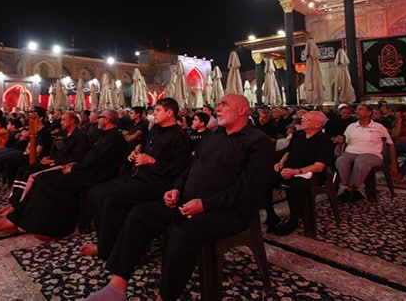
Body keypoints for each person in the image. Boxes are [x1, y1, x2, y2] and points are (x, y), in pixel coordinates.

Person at [83, 94, 273, 301]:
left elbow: (248, 189)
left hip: (227, 210)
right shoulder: (214, 136)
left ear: (242, 110)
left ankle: (166, 296)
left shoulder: (258, 142)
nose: (217, 109)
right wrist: (176, 189)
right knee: (140, 214)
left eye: (224, 104)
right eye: (218, 104)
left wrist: (205, 204)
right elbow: (191, 167)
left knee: (181, 233)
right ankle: (116, 287)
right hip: (188, 201)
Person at [80, 98, 192, 260]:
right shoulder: (155, 130)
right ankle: (105, 242)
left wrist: (152, 161)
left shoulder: (179, 137)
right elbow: (142, 147)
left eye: (158, 110)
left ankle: (113, 248)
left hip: (157, 184)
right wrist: (136, 152)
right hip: (138, 177)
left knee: (112, 200)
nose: (154, 113)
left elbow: (179, 168)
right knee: (96, 192)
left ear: (169, 113)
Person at [0, 109, 127, 237]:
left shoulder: (114, 138)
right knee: (41, 178)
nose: (97, 119)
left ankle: (50, 229)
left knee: (50, 184)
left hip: (95, 175)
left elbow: (98, 161)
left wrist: (75, 167)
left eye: (100, 117)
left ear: (107, 120)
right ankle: (18, 219)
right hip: (86, 170)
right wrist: (75, 165)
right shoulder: (105, 135)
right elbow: (91, 158)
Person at [266, 110, 333, 235]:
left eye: (306, 119)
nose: (302, 119)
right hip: (291, 168)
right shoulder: (298, 135)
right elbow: (289, 152)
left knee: (297, 185)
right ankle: (271, 214)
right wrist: (280, 163)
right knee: (265, 179)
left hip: (311, 173)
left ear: (317, 124)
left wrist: (296, 172)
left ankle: (294, 219)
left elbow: (319, 166)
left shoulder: (324, 140)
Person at [335, 104, 395, 202]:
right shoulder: (351, 126)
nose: (357, 111)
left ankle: (349, 190)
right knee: (341, 161)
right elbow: (345, 141)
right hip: (351, 152)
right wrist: (340, 140)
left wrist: (393, 164)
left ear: (369, 113)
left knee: (361, 161)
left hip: (372, 154)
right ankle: (354, 190)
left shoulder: (378, 127)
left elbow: (390, 144)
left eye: (360, 109)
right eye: (356, 109)